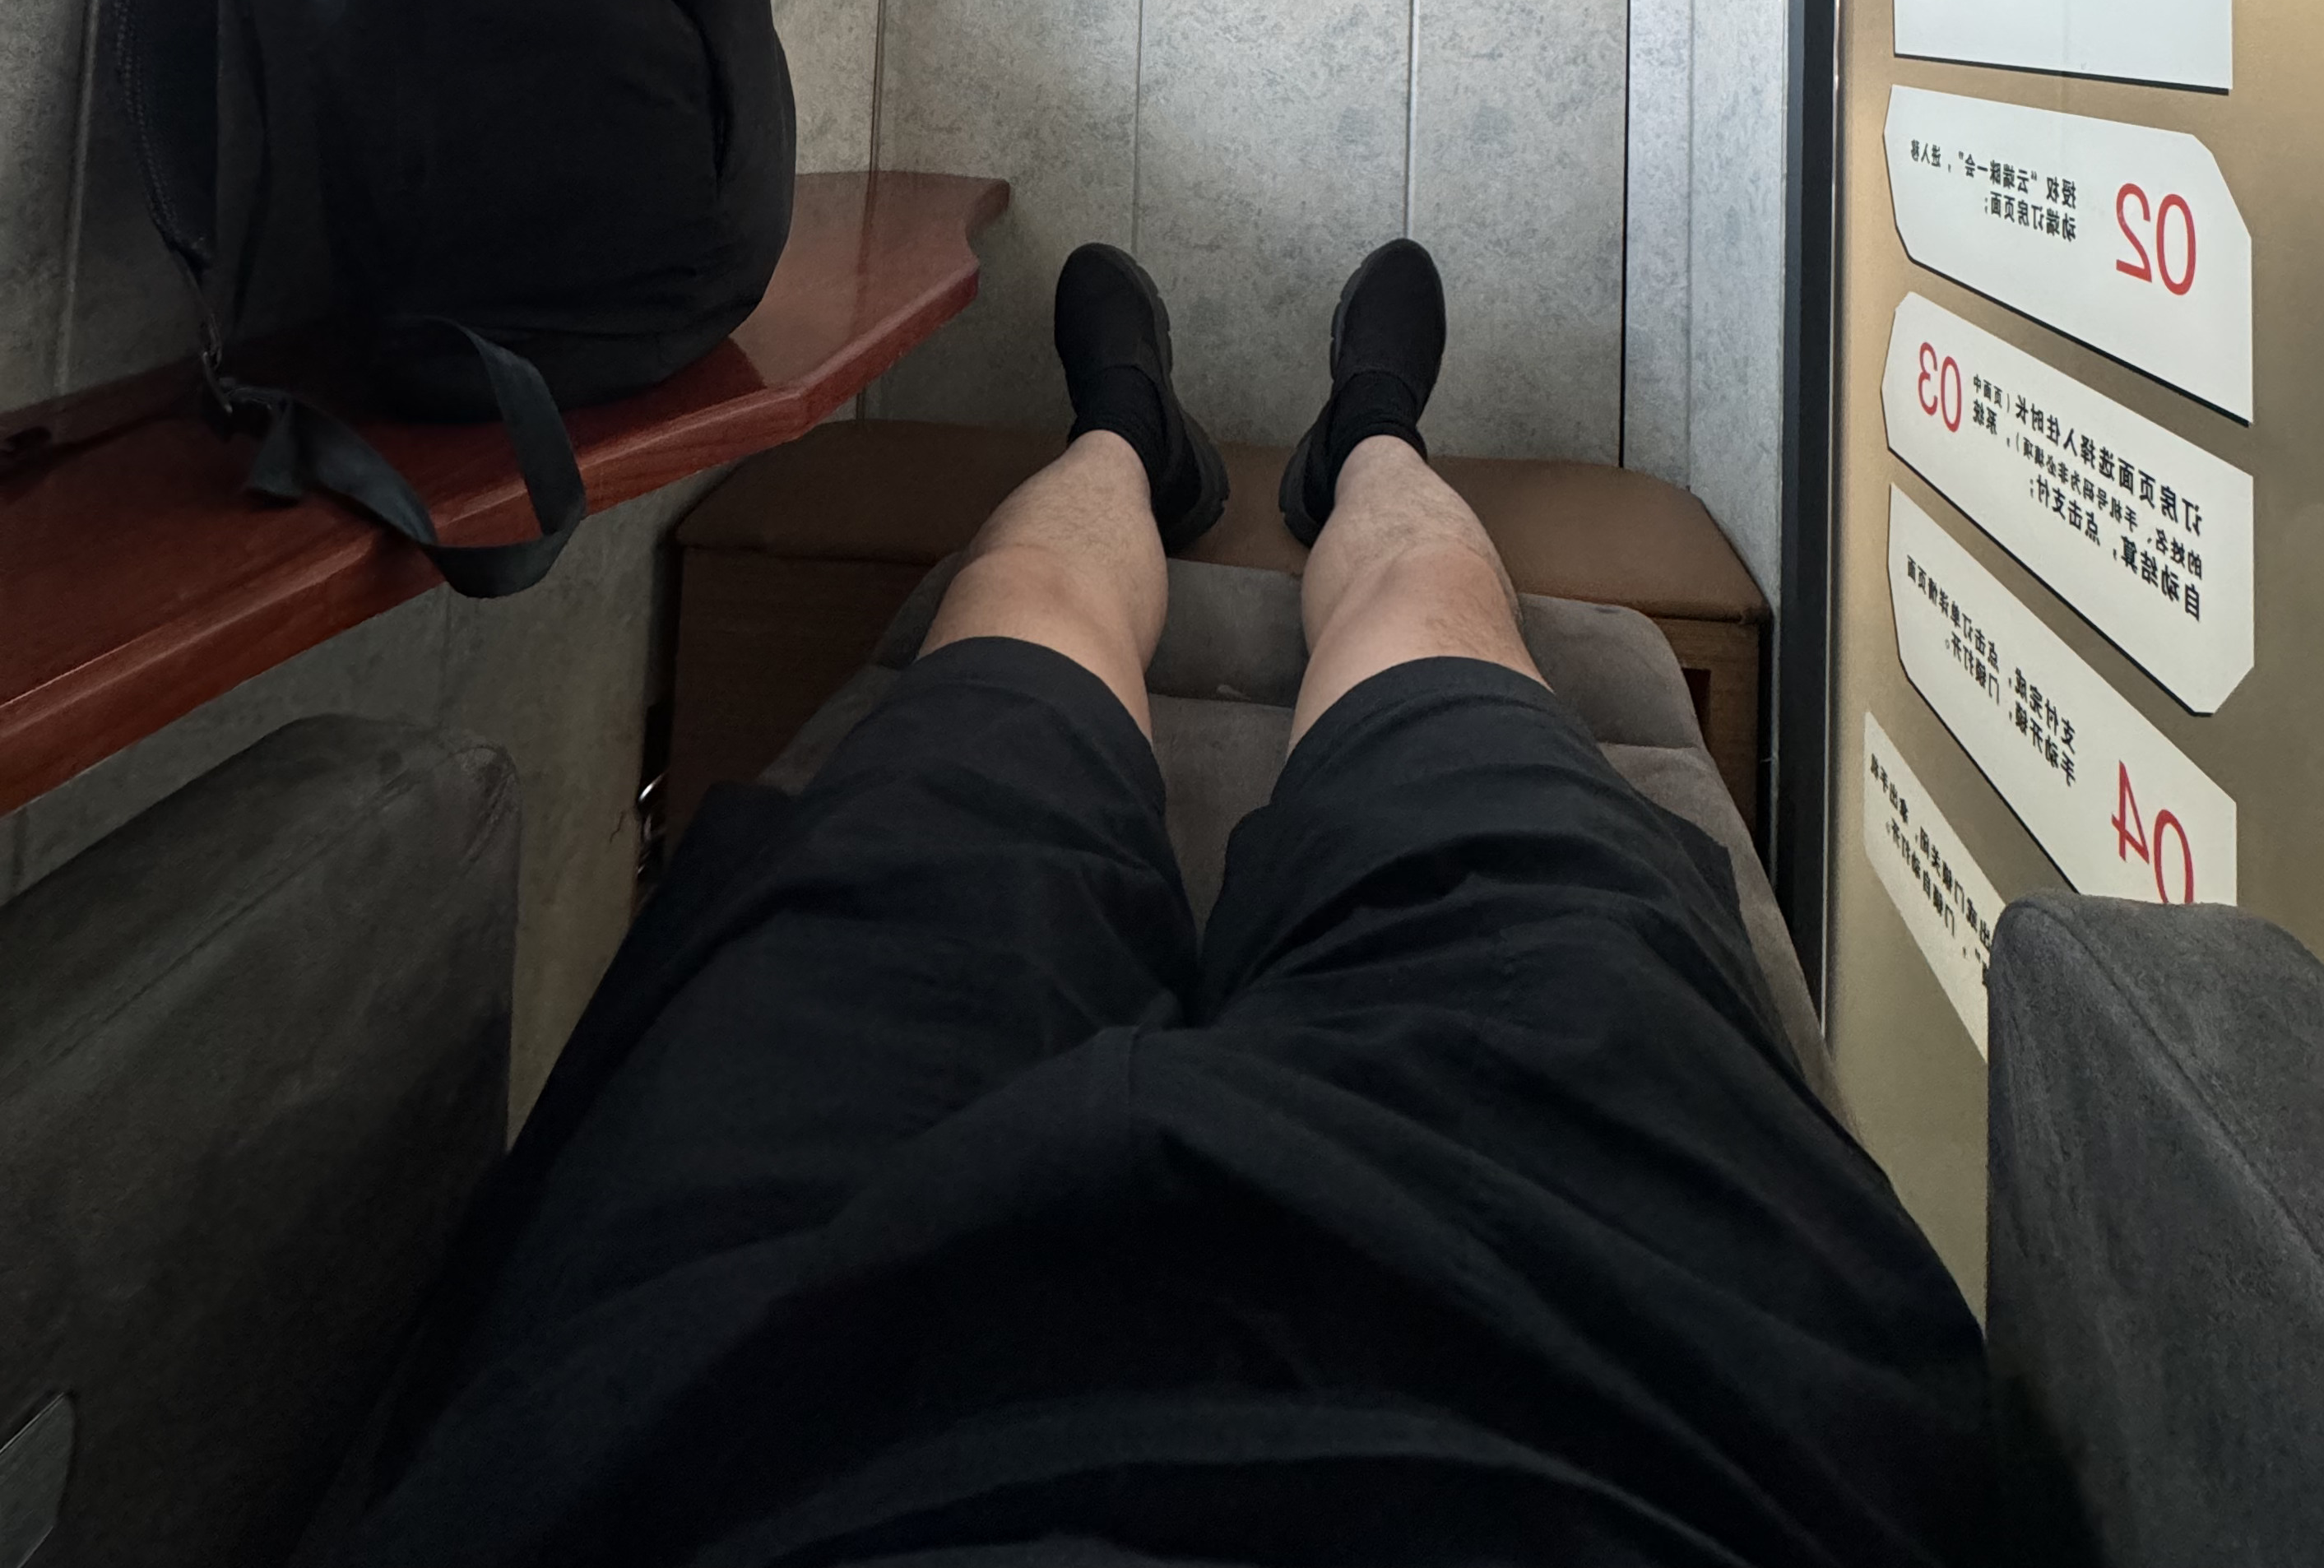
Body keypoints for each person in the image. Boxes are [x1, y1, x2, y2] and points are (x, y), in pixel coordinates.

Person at [341, 240, 1993, 1566]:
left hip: (723, 1402)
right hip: (1629, 1395)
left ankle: (1130, 434)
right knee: (1431, 629)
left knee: (1020, 625)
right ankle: (1367, 437)